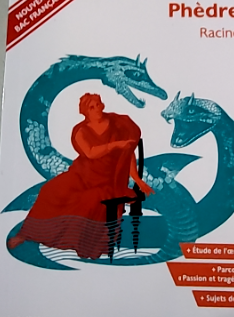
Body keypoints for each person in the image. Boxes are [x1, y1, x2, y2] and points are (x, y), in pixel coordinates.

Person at [8, 93, 154, 259]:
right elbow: (90, 152)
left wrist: (137, 180)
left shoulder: (118, 124)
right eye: (92, 107)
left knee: (92, 200)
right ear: (85, 111)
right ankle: (27, 233)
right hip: (82, 174)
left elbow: (128, 154)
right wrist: (115, 145)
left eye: (98, 104)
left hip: (107, 180)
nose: (97, 109)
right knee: (50, 190)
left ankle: (85, 245)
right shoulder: (80, 131)